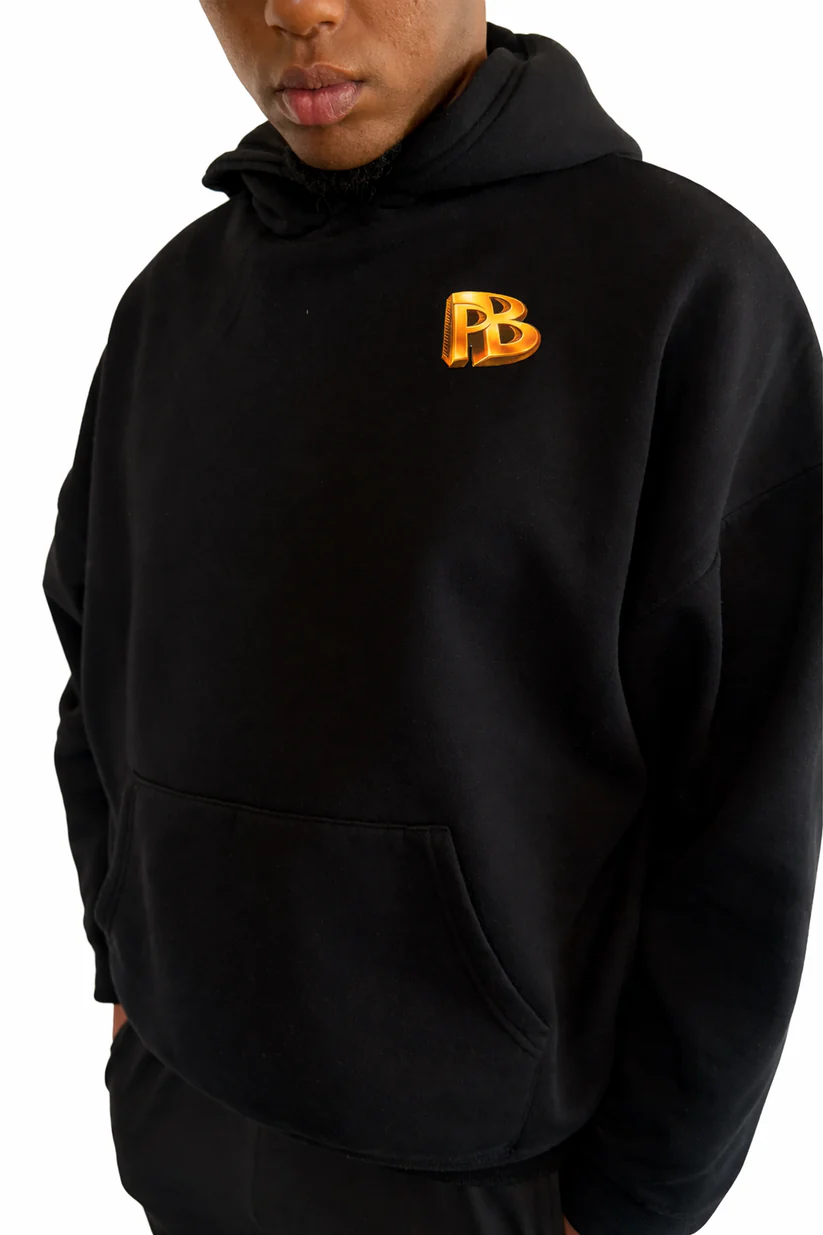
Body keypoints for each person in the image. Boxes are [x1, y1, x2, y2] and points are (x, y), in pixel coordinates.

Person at [41, 2, 822, 1233]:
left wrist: (639, 1199)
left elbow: (749, 800)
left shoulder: (677, 285)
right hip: (181, 1113)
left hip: (491, 1167)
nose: (295, 11)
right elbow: (93, 649)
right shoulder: (173, 301)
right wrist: (124, 959)